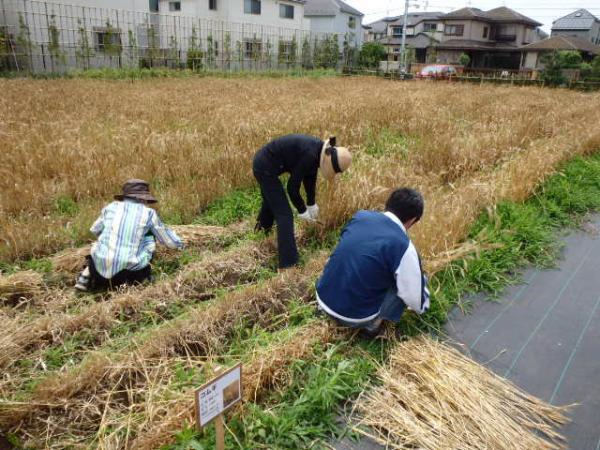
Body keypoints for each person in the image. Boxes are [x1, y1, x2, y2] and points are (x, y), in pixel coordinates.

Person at [316, 188, 430, 338]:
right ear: (413, 220)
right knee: (406, 281)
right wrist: (423, 305)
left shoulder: (360, 216)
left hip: (323, 298)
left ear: (388, 204)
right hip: (354, 318)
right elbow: (414, 299)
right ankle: (372, 326)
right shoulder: (403, 246)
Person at [253, 134, 352, 269]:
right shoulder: (310, 155)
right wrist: (302, 209)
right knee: (285, 215)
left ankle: (261, 232)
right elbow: (292, 187)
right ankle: (289, 265)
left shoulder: (315, 152)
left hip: (268, 164)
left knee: (271, 201)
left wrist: (311, 203)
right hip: (264, 167)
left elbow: (309, 176)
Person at [75, 179, 184, 291]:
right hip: (127, 275)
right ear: (142, 198)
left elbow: (95, 230)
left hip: (97, 271)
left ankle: (86, 275)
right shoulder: (149, 213)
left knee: (100, 243)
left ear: (125, 196)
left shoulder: (110, 208)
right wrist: (180, 244)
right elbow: (169, 242)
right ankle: (146, 276)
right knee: (149, 236)